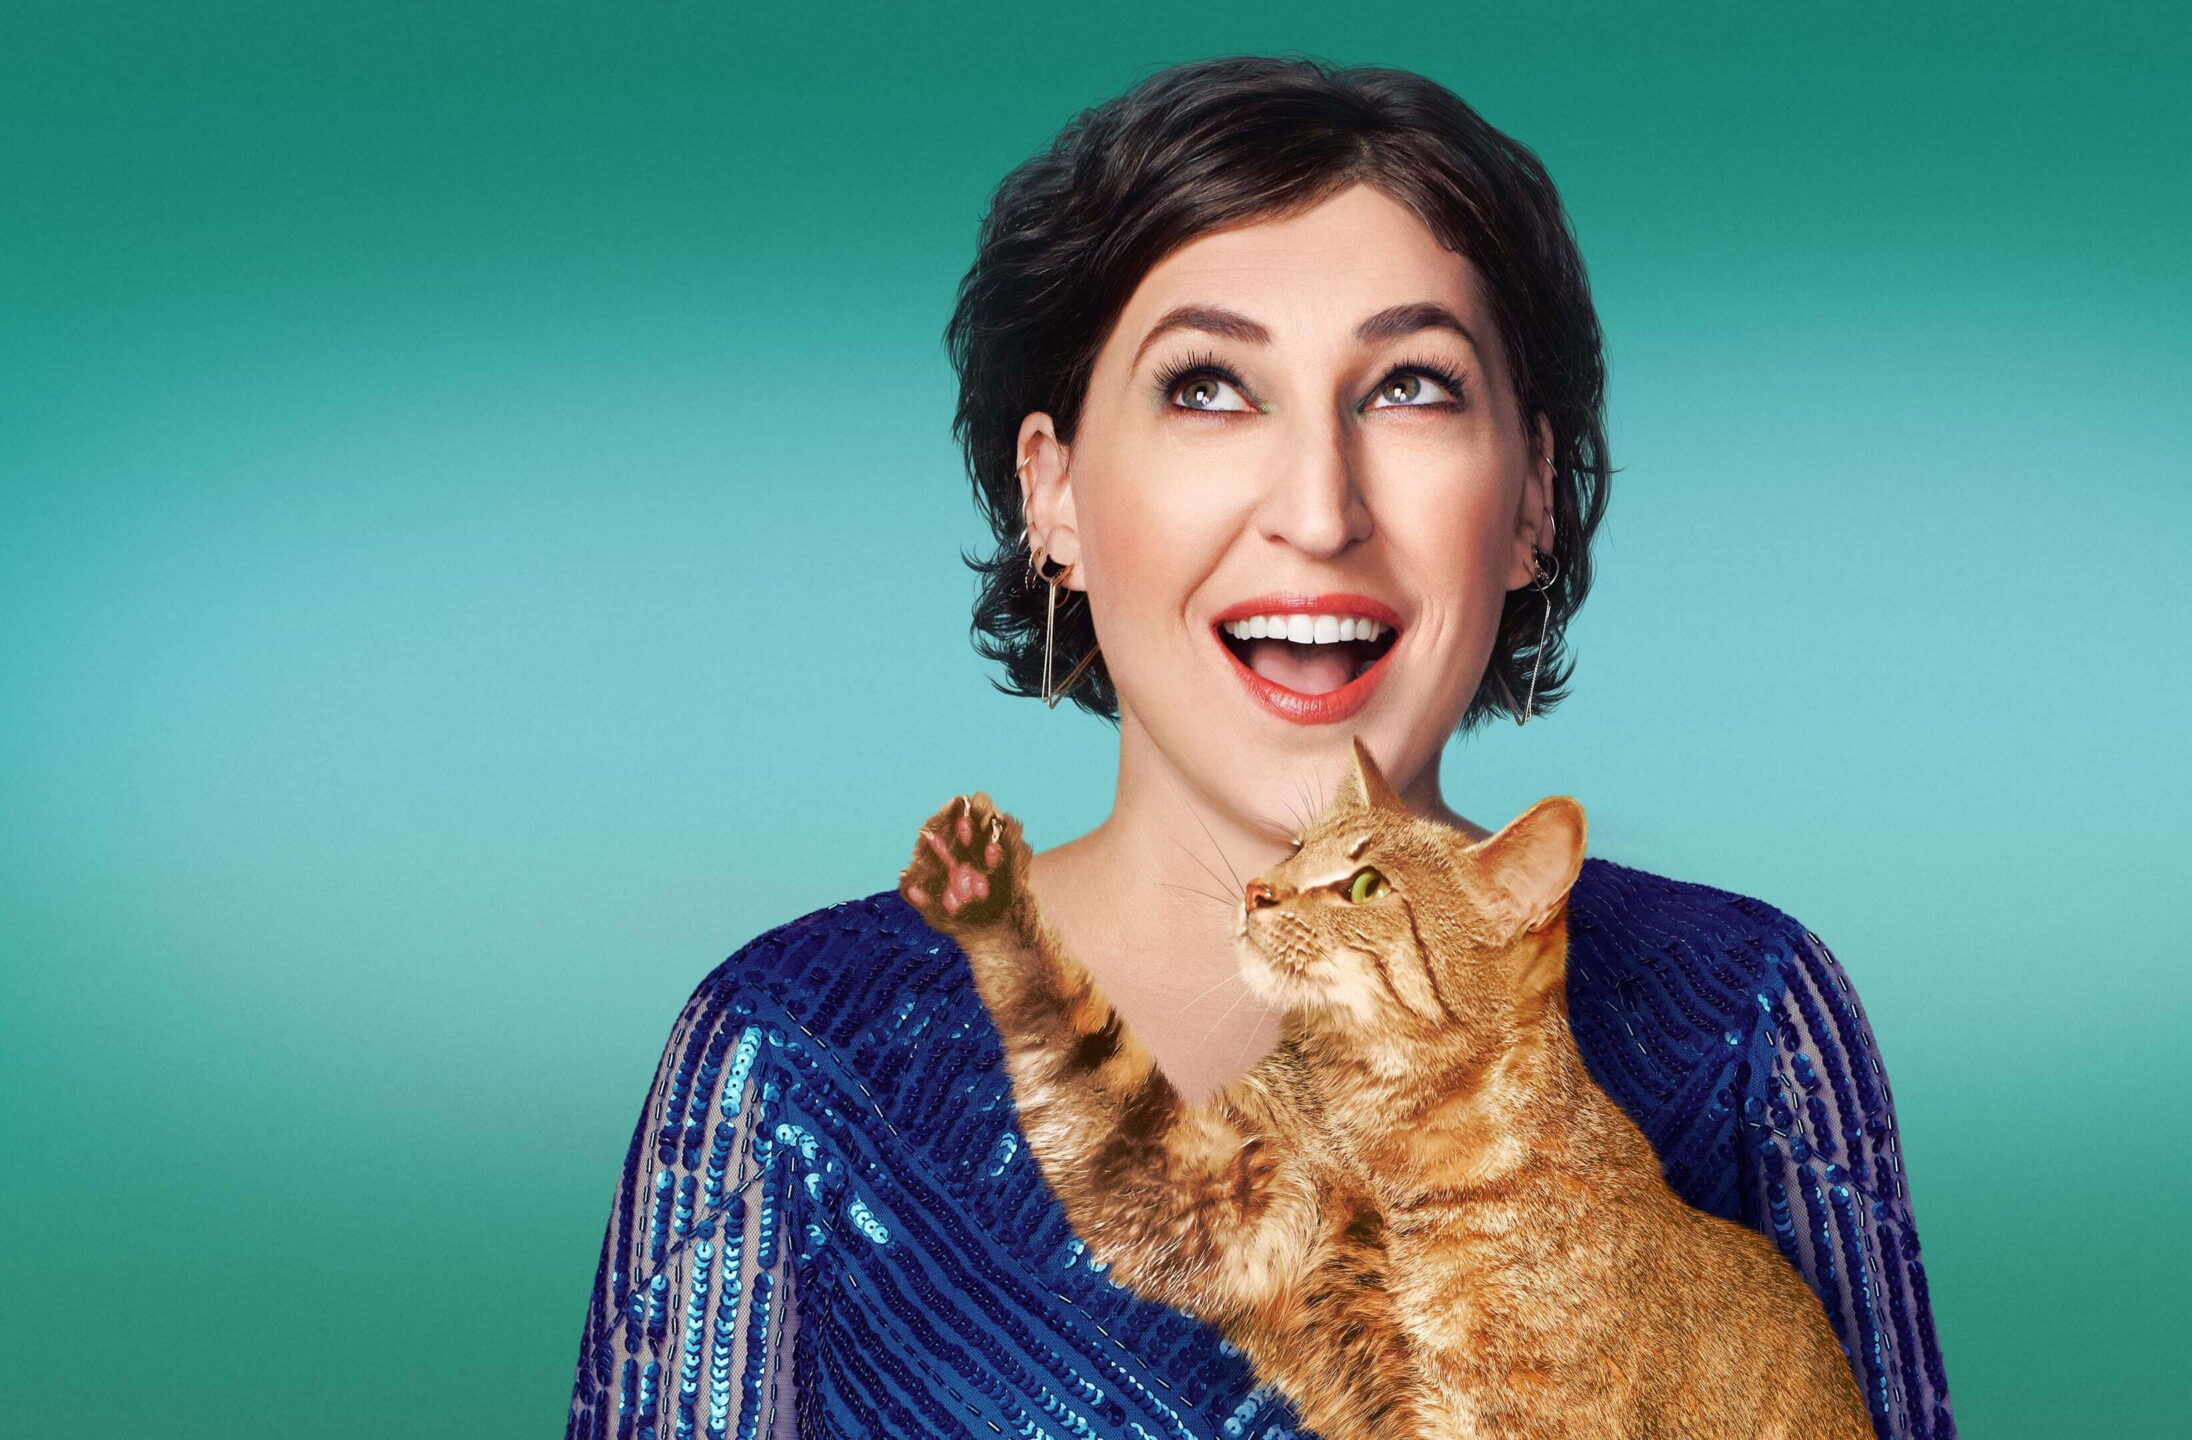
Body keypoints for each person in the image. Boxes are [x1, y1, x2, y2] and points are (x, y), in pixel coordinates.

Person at [564, 55, 1955, 1440]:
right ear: (1052, 493)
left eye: (1411, 386)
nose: (1320, 508)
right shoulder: (796, 1051)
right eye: (1210, 386)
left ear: (1532, 496)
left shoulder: (1746, 1016)